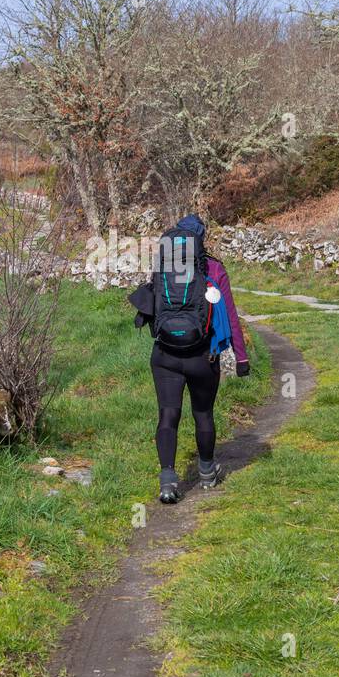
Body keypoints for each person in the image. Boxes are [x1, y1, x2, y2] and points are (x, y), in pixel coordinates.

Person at [132, 214, 248, 504]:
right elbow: (230, 316)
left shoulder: (163, 267)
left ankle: (168, 482)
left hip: (164, 356)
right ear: (201, 239)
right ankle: (207, 472)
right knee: (202, 414)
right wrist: (241, 358)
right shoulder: (213, 268)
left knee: (168, 415)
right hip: (202, 356)